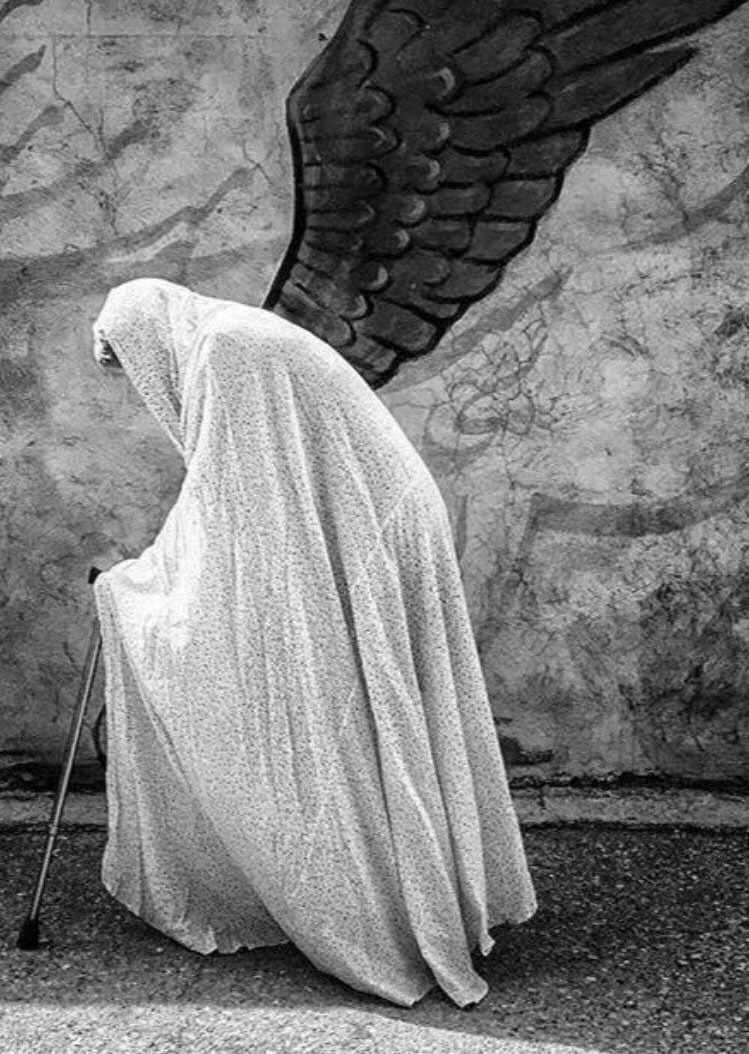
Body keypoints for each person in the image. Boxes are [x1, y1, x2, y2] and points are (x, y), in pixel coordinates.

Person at [90, 277, 536, 1007]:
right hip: (367, 518)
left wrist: (137, 585)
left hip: (367, 528)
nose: (145, 386)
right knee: (376, 713)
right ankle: (407, 893)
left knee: (362, 710)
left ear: (148, 337)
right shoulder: (227, 337)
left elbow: (226, 500)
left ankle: (389, 912)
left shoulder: (224, 349)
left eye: (134, 364)